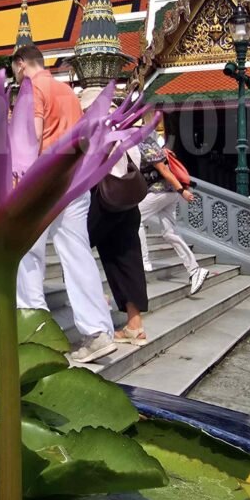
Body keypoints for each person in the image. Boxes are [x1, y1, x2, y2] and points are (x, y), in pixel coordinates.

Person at [11, 43, 116, 364]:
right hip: (75, 181)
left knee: (26, 252)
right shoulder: (67, 91)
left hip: (44, 179)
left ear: (19, 64)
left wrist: (19, 184)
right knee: (77, 254)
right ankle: (97, 332)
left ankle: (34, 327)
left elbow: (32, 137)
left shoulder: (31, 89)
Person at [81, 88, 149, 346]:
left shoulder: (96, 131)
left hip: (104, 202)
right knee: (126, 260)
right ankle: (135, 325)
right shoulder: (125, 130)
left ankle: (96, 308)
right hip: (128, 203)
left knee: (77, 248)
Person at [139, 134, 209, 295]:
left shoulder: (144, 143)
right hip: (169, 194)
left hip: (161, 191)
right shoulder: (149, 143)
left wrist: (182, 190)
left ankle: (144, 260)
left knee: (135, 217)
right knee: (170, 233)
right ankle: (195, 270)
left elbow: (163, 169)